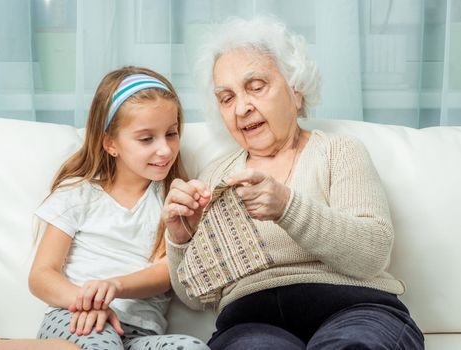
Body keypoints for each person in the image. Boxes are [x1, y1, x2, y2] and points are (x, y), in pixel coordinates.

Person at [162, 17, 424, 350]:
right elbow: (197, 296)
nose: (242, 107)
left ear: (296, 90)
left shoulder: (338, 151)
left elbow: (373, 253)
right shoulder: (215, 176)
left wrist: (287, 206)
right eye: (226, 98)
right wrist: (181, 236)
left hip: (356, 310)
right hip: (250, 322)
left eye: (256, 86)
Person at [0, 66, 209, 350]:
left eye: (171, 133)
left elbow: (165, 273)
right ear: (111, 143)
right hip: (76, 317)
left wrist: (114, 286)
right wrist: (87, 301)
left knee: (192, 347)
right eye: (146, 138)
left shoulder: (173, 199)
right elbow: (42, 275)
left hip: (141, 335)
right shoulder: (79, 194)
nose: (165, 149)